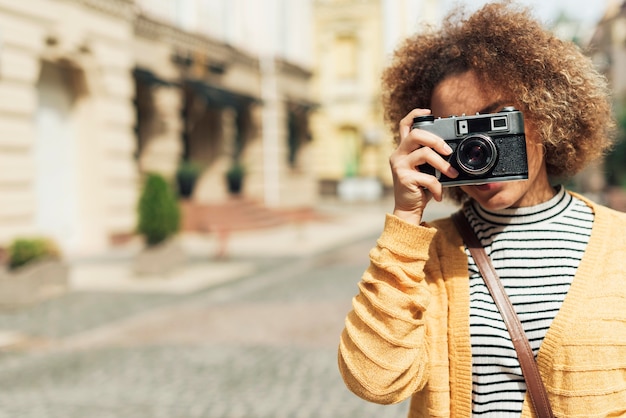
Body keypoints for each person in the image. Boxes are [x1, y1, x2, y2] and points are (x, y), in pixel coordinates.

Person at [338, 2, 626, 417]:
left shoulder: (618, 242)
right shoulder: (426, 254)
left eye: (495, 122)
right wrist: (405, 217)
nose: (478, 151)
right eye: (457, 134)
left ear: (545, 115)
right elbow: (374, 381)